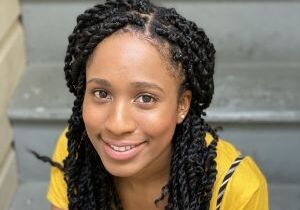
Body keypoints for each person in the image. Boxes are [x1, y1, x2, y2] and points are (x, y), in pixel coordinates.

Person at [45, 0, 269, 209]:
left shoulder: (237, 189)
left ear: (182, 105)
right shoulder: (74, 153)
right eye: (102, 93)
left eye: (145, 98)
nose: (117, 124)